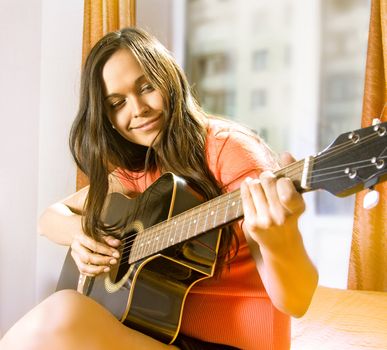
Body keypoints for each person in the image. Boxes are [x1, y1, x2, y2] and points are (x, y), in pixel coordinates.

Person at [0, 27, 318, 350]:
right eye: (117, 102)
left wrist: (282, 240)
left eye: (147, 86)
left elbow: (298, 301)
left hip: (234, 345)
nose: (137, 109)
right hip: (155, 335)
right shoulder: (137, 171)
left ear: (170, 80)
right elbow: (48, 219)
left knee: (65, 312)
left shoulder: (230, 151)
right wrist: (80, 234)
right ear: (107, 117)